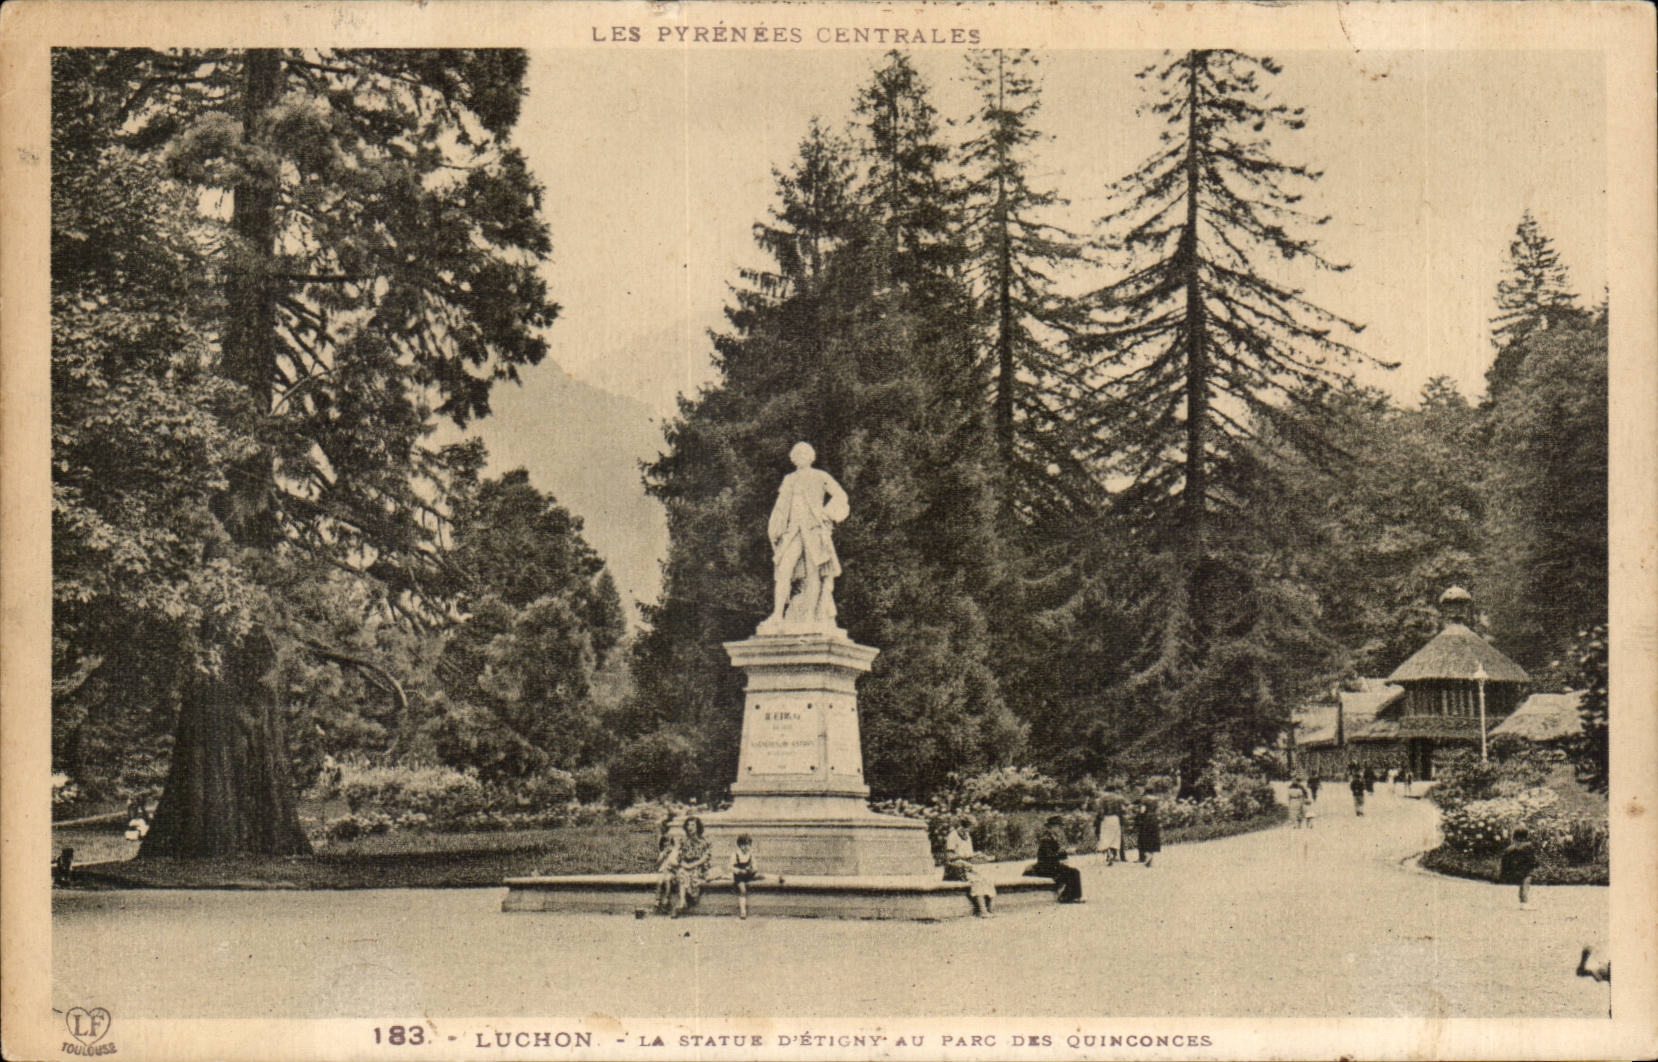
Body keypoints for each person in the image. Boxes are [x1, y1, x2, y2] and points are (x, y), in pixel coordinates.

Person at [760, 442, 850, 634]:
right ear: (793, 457)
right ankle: (777, 614)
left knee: (813, 573)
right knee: (784, 570)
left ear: (811, 457)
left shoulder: (820, 476)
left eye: (804, 453)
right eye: (797, 453)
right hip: (793, 531)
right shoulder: (789, 480)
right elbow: (781, 506)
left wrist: (827, 515)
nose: (800, 455)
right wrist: (775, 529)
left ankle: (810, 616)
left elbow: (841, 496)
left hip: (814, 530)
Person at [945, 819, 997, 918]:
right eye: (968, 828)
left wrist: (979, 856)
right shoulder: (952, 836)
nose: (968, 831)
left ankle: (990, 909)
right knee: (976, 880)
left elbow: (969, 856)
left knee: (987, 878)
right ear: (963, 826)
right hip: (955, 867)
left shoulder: (968, 836)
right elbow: (950, 856)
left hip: (967, 865)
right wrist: (966, 856)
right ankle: (982, 911)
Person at [1025, 815, 1084, 902]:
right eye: (1058, 827)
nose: (1060, 829)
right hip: (1046, 867)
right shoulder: (1046, 839)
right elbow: (1049, 856)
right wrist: (1063, 852)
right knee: (1073, 872)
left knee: (1073, 872)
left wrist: (1063, 853)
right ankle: (1067, 896)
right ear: (1051, 827)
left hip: (1051, 866)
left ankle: (1072, 896)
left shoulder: (1052, 837)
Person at [670, 816, 713, 917]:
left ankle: (685, 900)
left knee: (692, 875)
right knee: (681, 872)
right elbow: (679, 856)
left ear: (698, 827)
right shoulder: (683, 841)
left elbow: (705, 858)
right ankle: (682, 901)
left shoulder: (704, 842)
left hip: (699, 867)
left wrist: (692, 865)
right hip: (685, 865)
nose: (690, 827)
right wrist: (685, 865)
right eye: (688, 825)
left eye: (693, 825)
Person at [1498, 827, 1540, 906]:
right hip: (1525, 870)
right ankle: (1524, 901)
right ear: (1526, 836)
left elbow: (1504, 861)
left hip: (1513, 871)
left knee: (1523, 882)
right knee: (1526, 882)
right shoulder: (1528, 846)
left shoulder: (1509, 848)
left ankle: (1522, 900)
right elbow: (1532, 859)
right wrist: (1536, 865)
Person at [730, 833, 763, 919]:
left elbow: (755, 866)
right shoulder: (735, 854)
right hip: (739, 876)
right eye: (743, 845)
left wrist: (752, 869)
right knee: (743, 890)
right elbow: (730, 867)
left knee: (761, 876)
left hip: (747, 874)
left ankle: (777, 878)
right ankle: (743, 911)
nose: (745, 847)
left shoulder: (750, 855)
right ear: (739, 845)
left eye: (747, 845)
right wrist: (739, 871)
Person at [1094, 791, 1125, 865]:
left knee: (1105, 837)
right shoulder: (1118, 798)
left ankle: (1109, 854)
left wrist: (1099, 818)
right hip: (1115, 818)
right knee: (1115, 838)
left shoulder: (1103, 798)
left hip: (1107, 818)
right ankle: (1114, 854)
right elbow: (1122, 810)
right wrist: (1121, 821)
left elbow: (1100, 811)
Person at [1136, 796, 1163, 867]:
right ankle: (1151, 857)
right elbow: (1158, 810)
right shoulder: (1156, 799)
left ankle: (1147, 855)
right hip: (1155, 818)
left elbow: (1142, 811)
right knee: (1153, 837)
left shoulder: (1144, 799)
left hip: (1147, 819)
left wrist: (1139, 818)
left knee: (1146, 837)